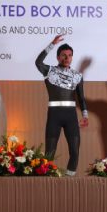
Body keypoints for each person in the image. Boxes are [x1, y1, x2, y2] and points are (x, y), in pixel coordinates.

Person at [35, 35, 88, 176]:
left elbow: (81, 98)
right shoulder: (49, 71)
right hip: (54, 115)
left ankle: (69, 180)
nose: (67, 58)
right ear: (58, 57)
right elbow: (38, 62)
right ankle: (47, 181)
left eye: (70, 55)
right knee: (49, 153)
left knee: (75, 151)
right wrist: (52, 44)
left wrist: (85, 115)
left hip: (71, 116)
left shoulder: (77, 76)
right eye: (64, 55)